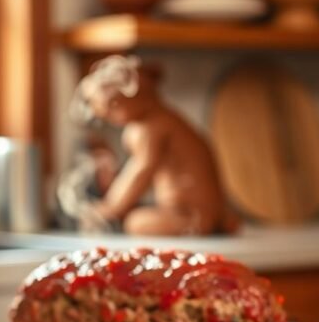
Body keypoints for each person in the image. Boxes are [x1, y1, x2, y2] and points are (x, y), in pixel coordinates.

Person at [72, 55, 238, 236]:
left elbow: (140, 172)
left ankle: (197, 223)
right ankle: (214, 219)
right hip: (203, 210)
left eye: (112, 109)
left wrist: (112, 207)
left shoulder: (151, 128)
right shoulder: (167, 119)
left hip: (189, 213)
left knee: (134, 223)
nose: (110, 117)